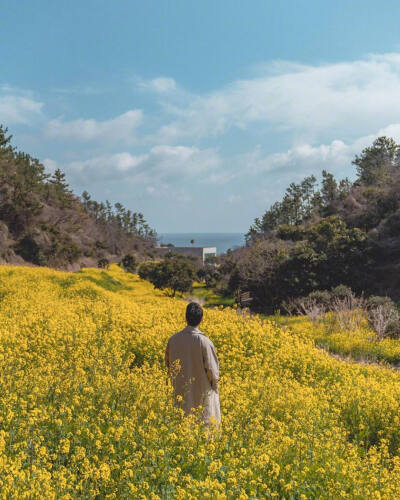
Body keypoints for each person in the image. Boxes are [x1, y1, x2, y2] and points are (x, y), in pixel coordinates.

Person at [164, 302, 221, 426]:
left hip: (180, 392)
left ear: (185, 318)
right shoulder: (205, 342)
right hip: (202, 393)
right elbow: (212, 372)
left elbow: (168, 366)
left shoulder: (173, 340)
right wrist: (214, 387)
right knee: (203, 428)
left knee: (181, 424)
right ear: (201, 319)